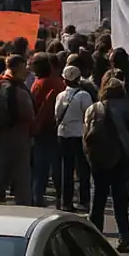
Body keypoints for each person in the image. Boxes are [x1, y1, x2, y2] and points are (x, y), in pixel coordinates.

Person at [83, 77, 129, 252]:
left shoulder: (93, 108)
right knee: (120, 200)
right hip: (120, 157)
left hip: (97, 157)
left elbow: (86, 133)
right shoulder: (127, 108)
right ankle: (124, 238)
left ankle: (93, 238)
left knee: (97, 199)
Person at [0, 54, 34, 205]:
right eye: (24, 67)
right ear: (17, 68)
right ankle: (22, 204)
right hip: (19, 136)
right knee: (21, 172)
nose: (27, 71)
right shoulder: (20, 90)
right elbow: (30, 114)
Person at [55, 65, 93, 212]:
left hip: (63, 133)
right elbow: (88, 115)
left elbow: (57, 114)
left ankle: (66, 201)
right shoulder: (84, 95)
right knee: (82, 168)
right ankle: (84, 199)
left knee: (66, 168)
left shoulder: (60, 95)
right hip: (78, 133)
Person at [29, 53, 65, 207]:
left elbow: (33, 106)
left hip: (40, 129)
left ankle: (37, 197)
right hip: (57, 127)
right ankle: (62, 198)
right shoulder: (59, 83)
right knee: (58, 166)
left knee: (40, 167)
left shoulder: (37, 85)